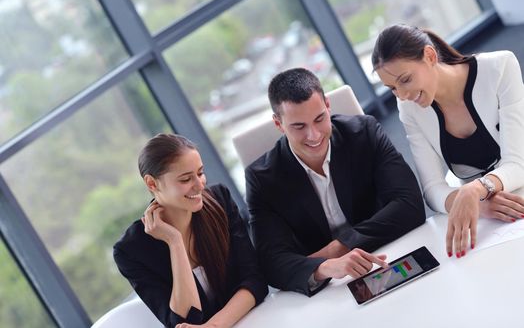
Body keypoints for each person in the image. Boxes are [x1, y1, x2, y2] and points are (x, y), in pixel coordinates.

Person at [245, 68, 425, 296]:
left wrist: (337, 248)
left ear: (328, 106)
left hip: (388, 256)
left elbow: (410, 204)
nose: (314, 135)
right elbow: (271, 264)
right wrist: (325, 266)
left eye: (319, 118)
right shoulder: (262, 179)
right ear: (279, 124)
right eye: (299, 126)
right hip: (327, 288)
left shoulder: (365, 132)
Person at [372, 24, 524, 259]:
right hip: (497, 215)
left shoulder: (499, 67)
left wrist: (475, 190)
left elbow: (517, 162)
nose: (402, 95)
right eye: (392, 88)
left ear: (430, 56)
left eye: (405, 80)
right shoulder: (409, 109)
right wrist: (478, 204)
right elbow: (431, 188)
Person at [114, 134, 267, 328]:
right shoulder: (131, 251)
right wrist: (174, 242)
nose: (199, 184)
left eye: (200, 173)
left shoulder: (220, 200)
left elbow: (254, 281)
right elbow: (184, 321)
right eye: (186, 179)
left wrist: (212, 326)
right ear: (152, 184)